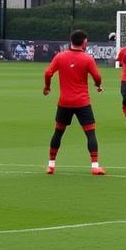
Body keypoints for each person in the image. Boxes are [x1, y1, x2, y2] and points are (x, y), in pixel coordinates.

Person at [43, 29, 105, 175]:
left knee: (58, 132)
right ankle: (95, 166)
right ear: (84, 42)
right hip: (82, 102)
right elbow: (97, 76)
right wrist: (98, 85)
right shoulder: (87, 58)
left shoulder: (60, 56)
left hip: (64, 102)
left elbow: (47, 73)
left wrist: (47, 87)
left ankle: (51, 165)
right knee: (90, 133)